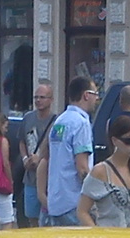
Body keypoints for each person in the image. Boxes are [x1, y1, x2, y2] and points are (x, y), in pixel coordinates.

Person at [77, 113, 130, 229]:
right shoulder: (101, 171)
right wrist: (97, 235)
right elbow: (82, 211)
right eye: (129, 141)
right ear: (114, 141)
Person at [41, 76, 99, 227]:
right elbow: (82, 167)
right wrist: (93, 199)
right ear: (86, 95)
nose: (96, 99)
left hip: (56, 201)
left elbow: (46, 154)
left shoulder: (60, 120)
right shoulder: (81, 123)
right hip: (74, 202)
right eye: (95, 94)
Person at [11, 83, 54, 227]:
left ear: (51, 99)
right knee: (32, 217)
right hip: (30, 177)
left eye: (42, 97)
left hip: (49, 179)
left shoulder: (56, 121)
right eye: (36, 97)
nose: (38, 100)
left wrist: (41, 159)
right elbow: (22, 141)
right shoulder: (28, 118)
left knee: (49, 217)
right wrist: (24, 159)